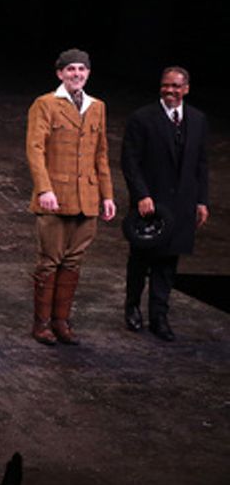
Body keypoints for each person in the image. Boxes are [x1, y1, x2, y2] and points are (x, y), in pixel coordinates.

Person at [25, 48, 115, 345]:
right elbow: (35, 149)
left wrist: (107, 195)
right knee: (49, 261)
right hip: (56, 195)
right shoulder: (46, 104)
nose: (77, 74)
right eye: (71, 69)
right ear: (60, 73)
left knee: (73, 262)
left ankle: (61, 321)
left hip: (87, 197)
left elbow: (101, 154)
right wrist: (44, 188)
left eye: (82, 69)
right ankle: (41, 324)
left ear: (88, 73)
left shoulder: (97, 106)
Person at [121, 66, 209, 341]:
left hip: (181, 204)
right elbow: (130, 162)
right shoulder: (143, 118)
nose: (169, 90)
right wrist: (141, 195)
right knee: (140, 260)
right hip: (150, 202)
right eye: (165, 85)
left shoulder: (197, 119)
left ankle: (159, 316)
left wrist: (201, 201)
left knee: (168, 264)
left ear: (186, 89)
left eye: (175, 86)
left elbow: (201, 164)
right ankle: (132, 307)